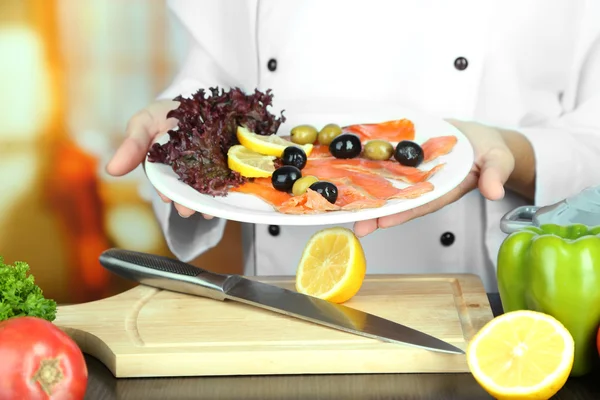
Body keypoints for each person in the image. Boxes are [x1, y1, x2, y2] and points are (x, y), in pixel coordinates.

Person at [106, 0, 600, 292]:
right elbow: (218, 82)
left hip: (479, 303)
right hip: (285, 297)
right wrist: (185, 132)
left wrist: (515, 152)